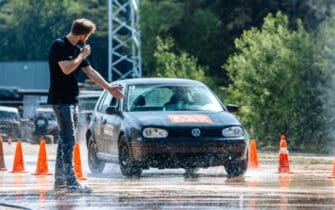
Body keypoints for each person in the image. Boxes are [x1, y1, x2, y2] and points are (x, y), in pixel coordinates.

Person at [48, 18, 124, 193]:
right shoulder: (59, 45)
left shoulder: (75, 49)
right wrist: (81, 55)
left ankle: (60, 181)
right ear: (83, 35)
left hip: (71, 100)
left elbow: (90, 73)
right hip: (61, 100)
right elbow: (66, 69)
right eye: (87, 35)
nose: (87, 39)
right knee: (69, 140)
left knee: (65, 139)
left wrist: (110, 88)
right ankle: (71, 183)